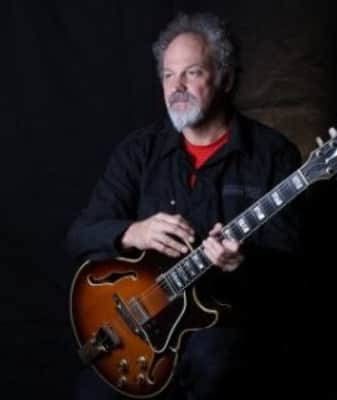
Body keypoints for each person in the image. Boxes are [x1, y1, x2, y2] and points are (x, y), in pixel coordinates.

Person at [66, 12, 305, 400]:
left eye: (192, 73)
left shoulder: (273, 155)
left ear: (225, 79)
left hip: (228, 331)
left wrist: (243, 261)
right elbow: (80, 235)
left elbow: (294, 269)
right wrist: (133, 232)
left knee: (216, 367)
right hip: (141, 333)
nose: (177, 86)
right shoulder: (138, 152)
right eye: (168, 75)